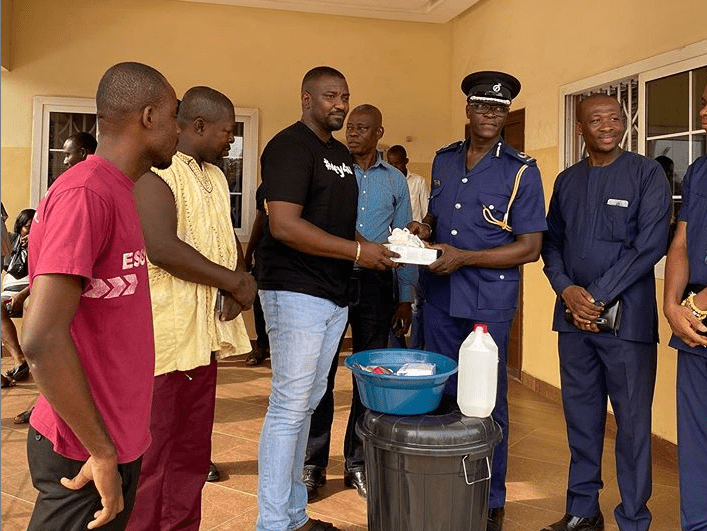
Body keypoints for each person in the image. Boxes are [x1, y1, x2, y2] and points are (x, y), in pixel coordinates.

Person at [21, 61, 179, 531]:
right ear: (149, 116)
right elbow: (41, 336)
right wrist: (101, 449)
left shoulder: (121, 191)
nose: (177, 130)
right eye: (173, 116)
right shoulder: (86, 194)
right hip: (81, 448)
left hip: (112, 436)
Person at [256, 66, 396, 531]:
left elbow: (334, 228)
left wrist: (375, 251)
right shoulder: (288, 147)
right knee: (290, 407)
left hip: (334, 294)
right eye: (330, 96)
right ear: (306, 98)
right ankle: (274, 522)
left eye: (345, 97)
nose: (339, 104)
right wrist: (359, 251)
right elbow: (284, 225)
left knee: (308, 401)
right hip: (295, 290)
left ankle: (294, 515)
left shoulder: (338, 154)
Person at [408, 71, 547, 531]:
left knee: (485, 399)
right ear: (467, 110)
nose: (491, 115)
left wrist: (465, 257)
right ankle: (444, 480)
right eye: (483, 106)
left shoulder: (521, 170)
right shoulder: (444, 160)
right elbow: (435, 214)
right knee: (440, 392)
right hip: (438, 295)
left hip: (486, 302)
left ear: (506, 115)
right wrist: (422, 230)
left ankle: (490, 496)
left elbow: (530, 247)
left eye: (500, 109)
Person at [125, 86, 256, 531]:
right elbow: (162, 248)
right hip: (164, 339)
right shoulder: (155, 172)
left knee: (191, 455)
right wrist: (234, 281)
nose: (230, 141)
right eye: (226, 132)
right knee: (152, 459)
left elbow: (224, 234)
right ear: (197, 126)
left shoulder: (216, 177)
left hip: (202, 342)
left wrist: (239, 279)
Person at [541, 93, 671, 531]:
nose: (607, 126)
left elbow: (650, 245)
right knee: (581, 420)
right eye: (596, 120)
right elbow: (551, 244)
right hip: (573, 324)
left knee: (633, 429)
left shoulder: (646, 173)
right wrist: (566, 291)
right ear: (581, 128)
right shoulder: (566, 181)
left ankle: (634, 518)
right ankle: (582, 509)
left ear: (624, 124)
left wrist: (593, 297)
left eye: (615, 118)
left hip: (627, 325)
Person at [303, 105, 414, 501]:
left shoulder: (396, 181)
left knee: (368, 375)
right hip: (330, 277)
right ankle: (313, 464)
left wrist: (405, 299)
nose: (353, 134)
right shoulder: (332, 166)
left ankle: (358, 463)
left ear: (379, 133)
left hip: (378, 284)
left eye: (363, 128)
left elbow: (402, 243)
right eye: (351, 127)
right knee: (321, 374)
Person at [663, 80, 707, 531]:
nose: (704, 113)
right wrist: (671, 304)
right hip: (693, 321)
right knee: (695, 437)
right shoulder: (698, 171)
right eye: (704, 104)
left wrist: (697, 303)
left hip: (699, 308)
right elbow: (682, 239)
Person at [387, 144, 429, 349]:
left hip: (414, 249)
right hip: (394, 247)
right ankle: (397, 345)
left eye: (397, 163)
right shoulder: (388, 181)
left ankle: (416, 347)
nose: (393, 167)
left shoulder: (418, 182)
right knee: (394, 297)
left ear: (406, 162)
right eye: (390, 163)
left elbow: (424, 213)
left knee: (416, 301)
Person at [1, 208, 35, 387]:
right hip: (6, 296)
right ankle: (19, 360)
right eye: (26, 227)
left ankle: (27, 359)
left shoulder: (43, 244)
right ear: (19, 227)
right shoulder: (11, 241)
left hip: (30, 293)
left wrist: (21, 295)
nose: (30, 232)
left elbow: (43, 276)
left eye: (34, 227)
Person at [243, 183, 270, 366]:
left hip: (293, 259)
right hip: (265, 256)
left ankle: (281, 351)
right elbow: (260, 219)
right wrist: (247, 255)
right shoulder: (266, 187)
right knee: (260, 302)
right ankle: (261, 346)